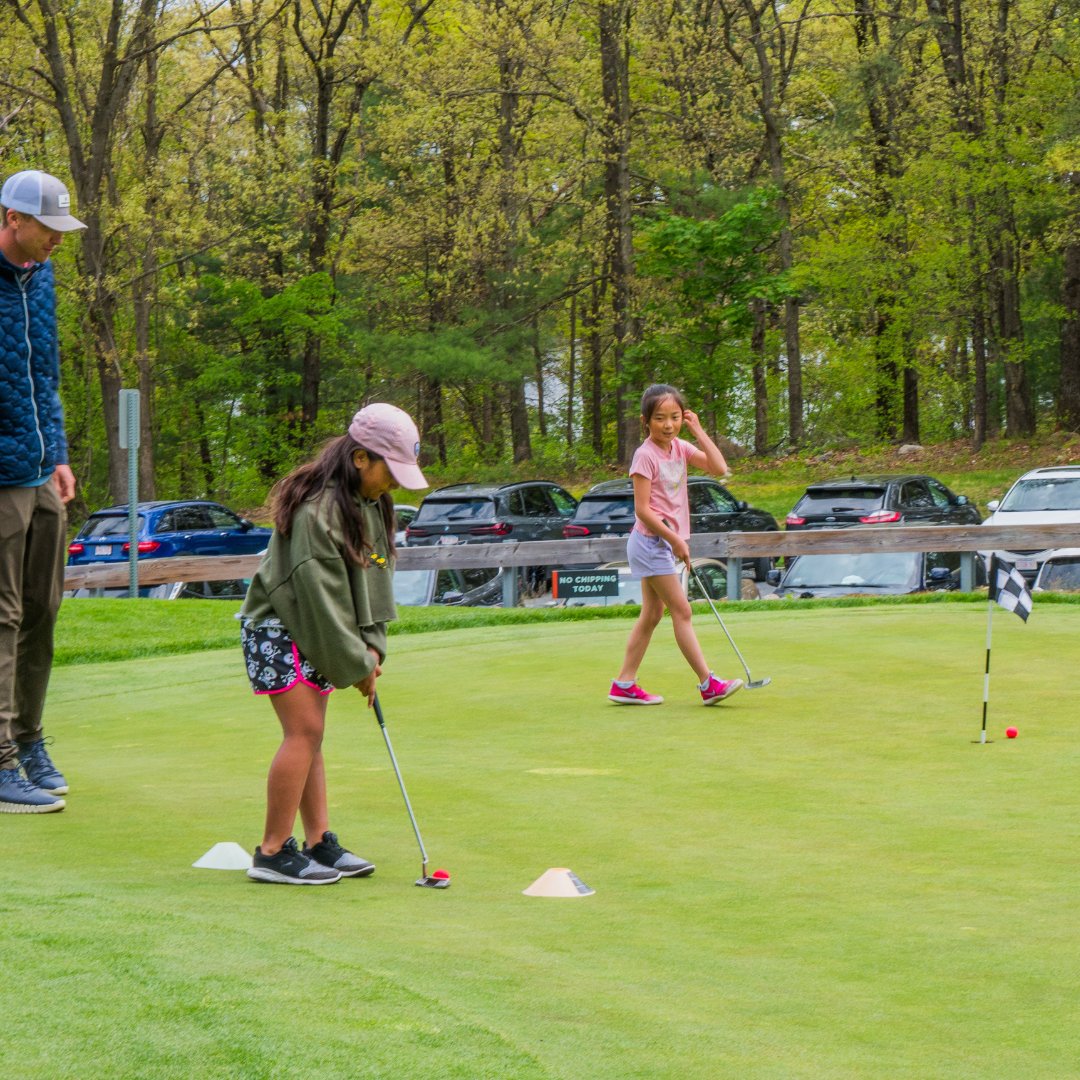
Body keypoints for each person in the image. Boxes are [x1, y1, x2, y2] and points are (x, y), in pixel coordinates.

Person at [241, 403, 428, 885]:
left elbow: (377, 583)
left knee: (312, 735)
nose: (396, 483)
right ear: (361, 458)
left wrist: (373, 650)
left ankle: (318, 841)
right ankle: (271, 852)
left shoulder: (372, 503)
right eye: (392, 470)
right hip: (279, 628)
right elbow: (320, 600)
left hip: (324, 629)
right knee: (302, 732)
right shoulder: (317, 512)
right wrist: (354, 664)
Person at [0, 169, 86, 814]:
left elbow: (45, 371)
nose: (57, 240)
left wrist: (56, 453)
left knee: (43, 610)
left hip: (38, 471)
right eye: (47, 229)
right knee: (1, 618)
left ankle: (27, 740)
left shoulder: (42, 276)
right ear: (12, 219)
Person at [609, 384, 744, 707]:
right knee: (681, 610)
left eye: (674, 417)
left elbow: (720, 468)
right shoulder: (645, 456)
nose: (667, 425)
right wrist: (674, 540)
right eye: (659, 418)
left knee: (652, 614)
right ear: (646, 421)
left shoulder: (680, 447)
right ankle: (708, 683)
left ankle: (624, 683)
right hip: (650, 543)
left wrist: (698, 429)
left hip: (663, 543)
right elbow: (643, 510)